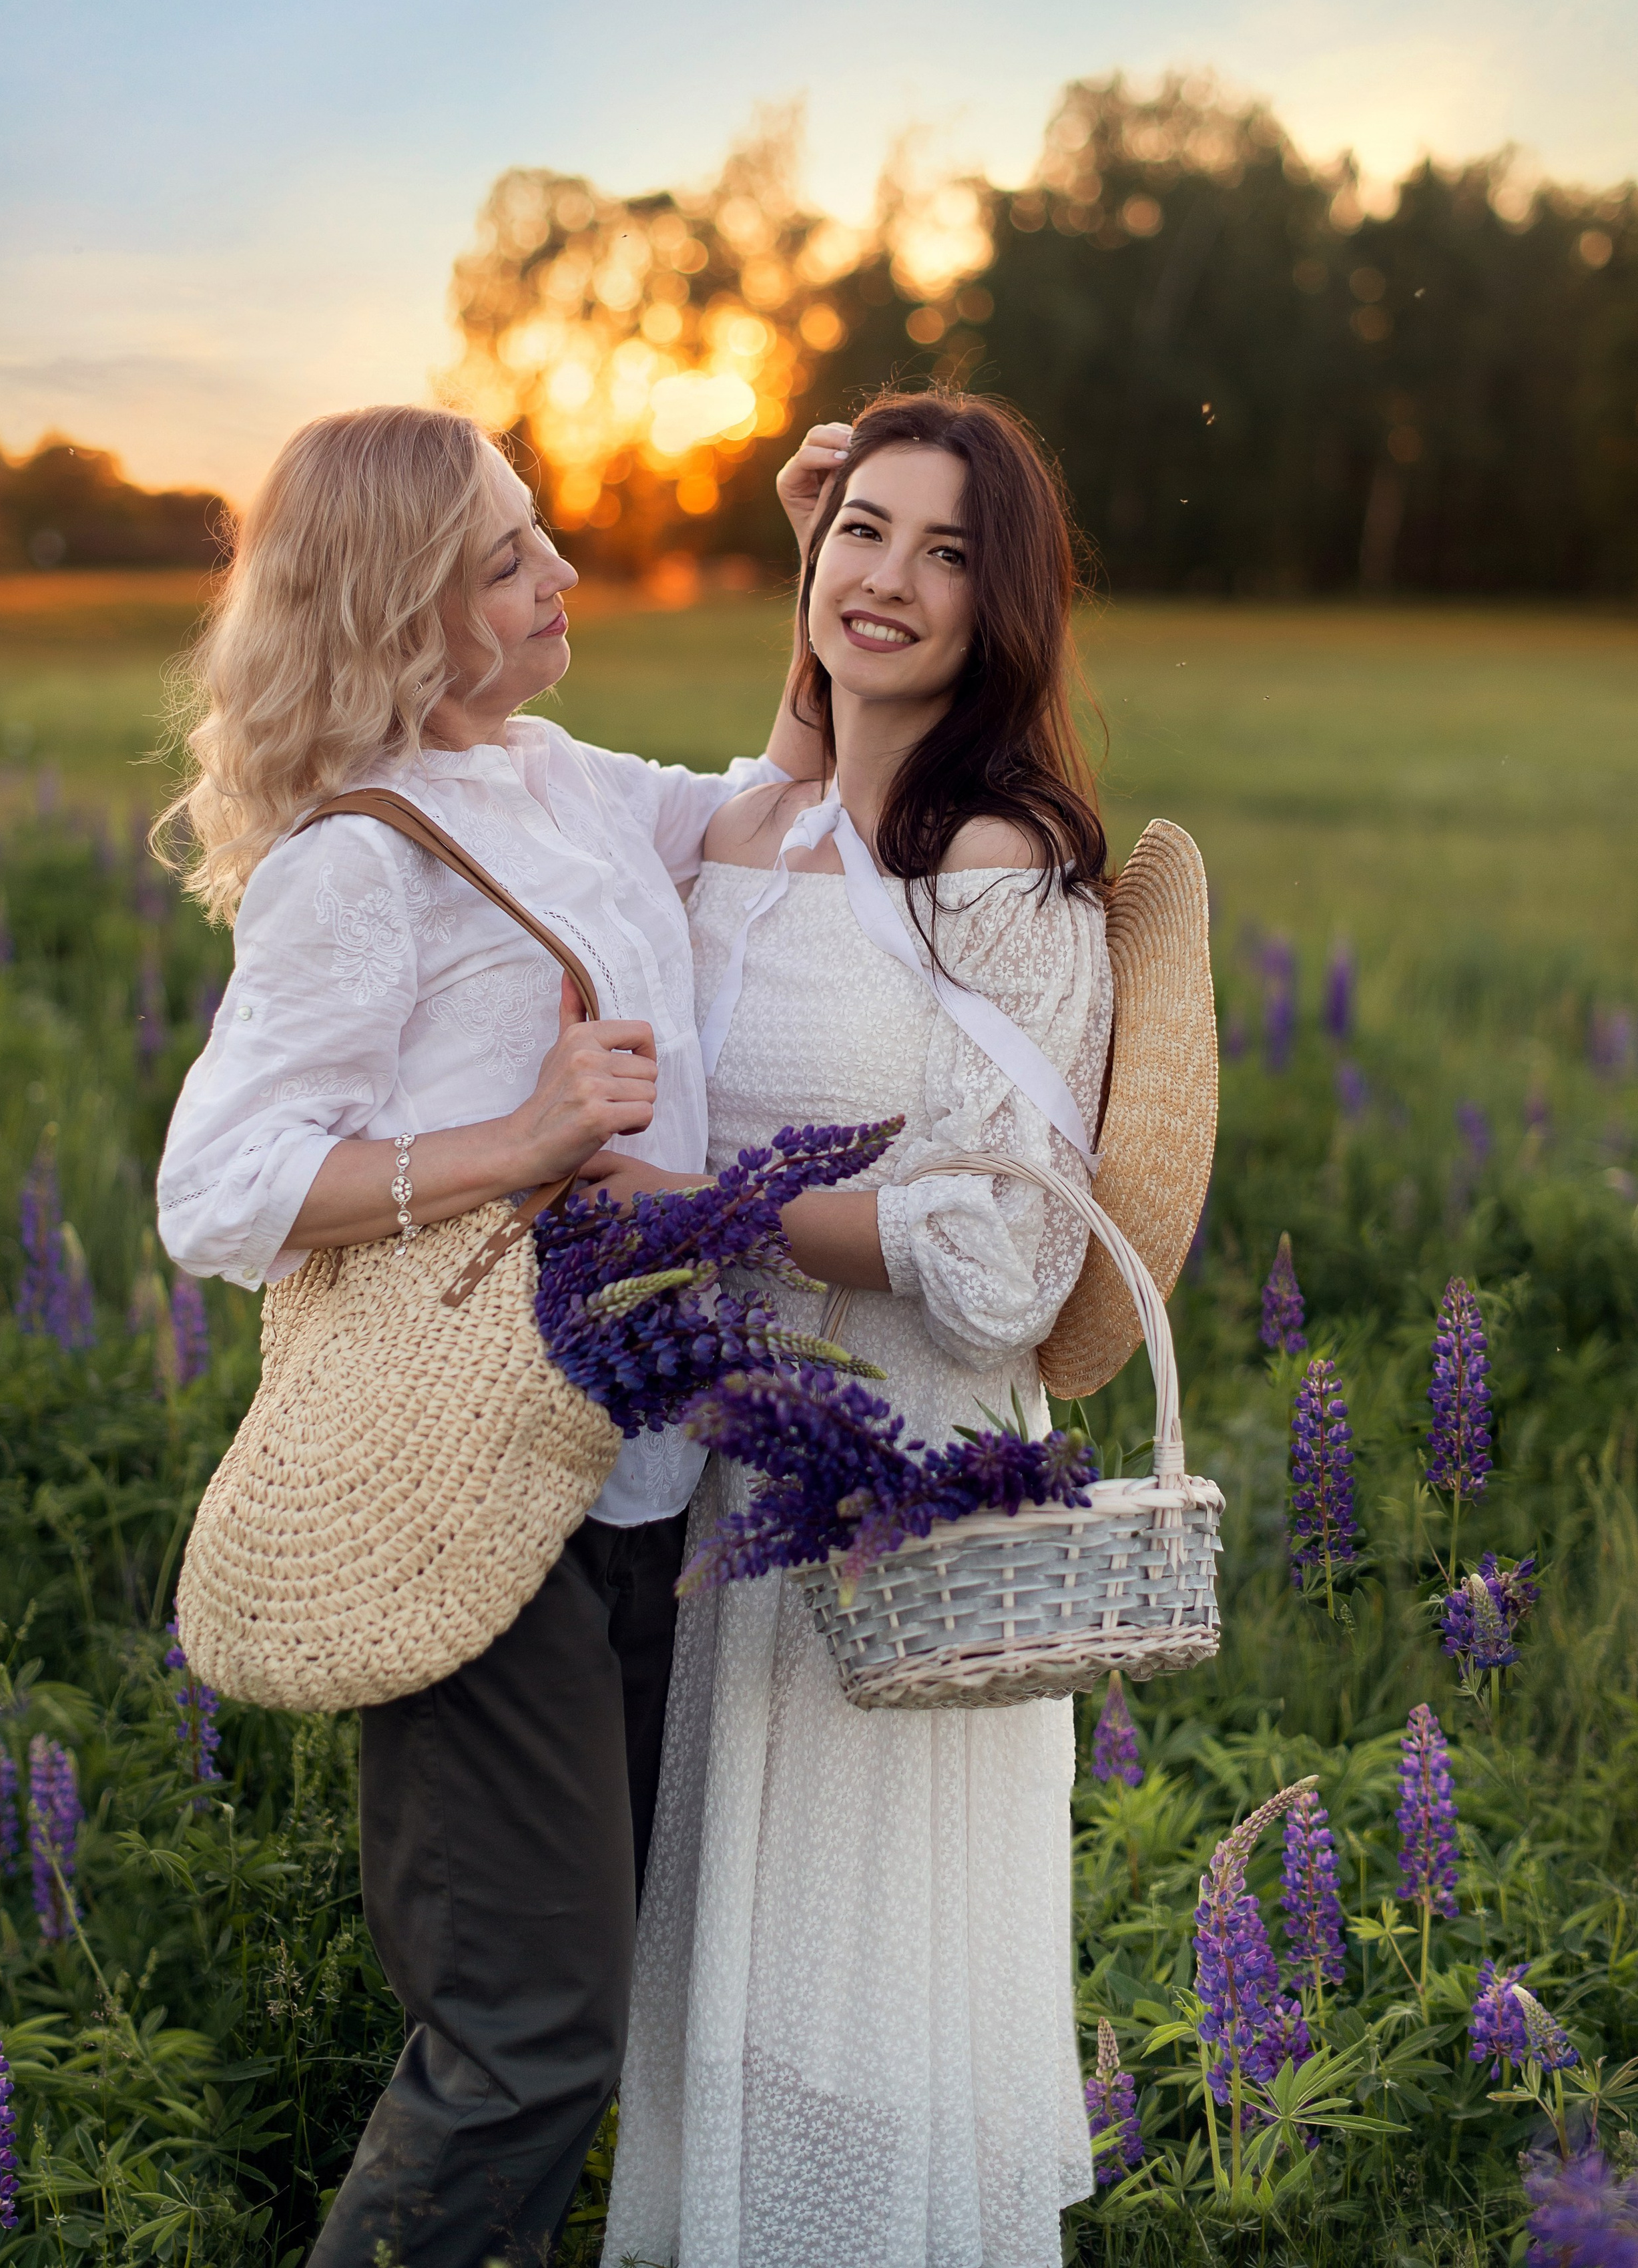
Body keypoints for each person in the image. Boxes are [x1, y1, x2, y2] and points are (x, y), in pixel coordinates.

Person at [152, 403, 825, 2268]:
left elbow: (765, 805)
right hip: (464, 1485)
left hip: (632, 1468)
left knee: (573, 2027)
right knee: (528, 2039)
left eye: (544, 539)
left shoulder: (554, 776)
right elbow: (214, 1189)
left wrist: (821, 560)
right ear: (396, 613)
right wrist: (517, 1143)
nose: (562, 575)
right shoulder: (357, 862)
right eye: (509, 558)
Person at [595, 388, 1113, 2267]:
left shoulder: (1002, 860)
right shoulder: (753, 826)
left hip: (907, 1491)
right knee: (735, 1985)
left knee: (867, 1995)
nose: (890, 576)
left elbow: (1004, 1261)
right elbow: (792, 761)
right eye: (861, 529)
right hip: (729, 1487)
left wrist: (705, 1216)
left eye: (948, 551)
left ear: (1006, 606)